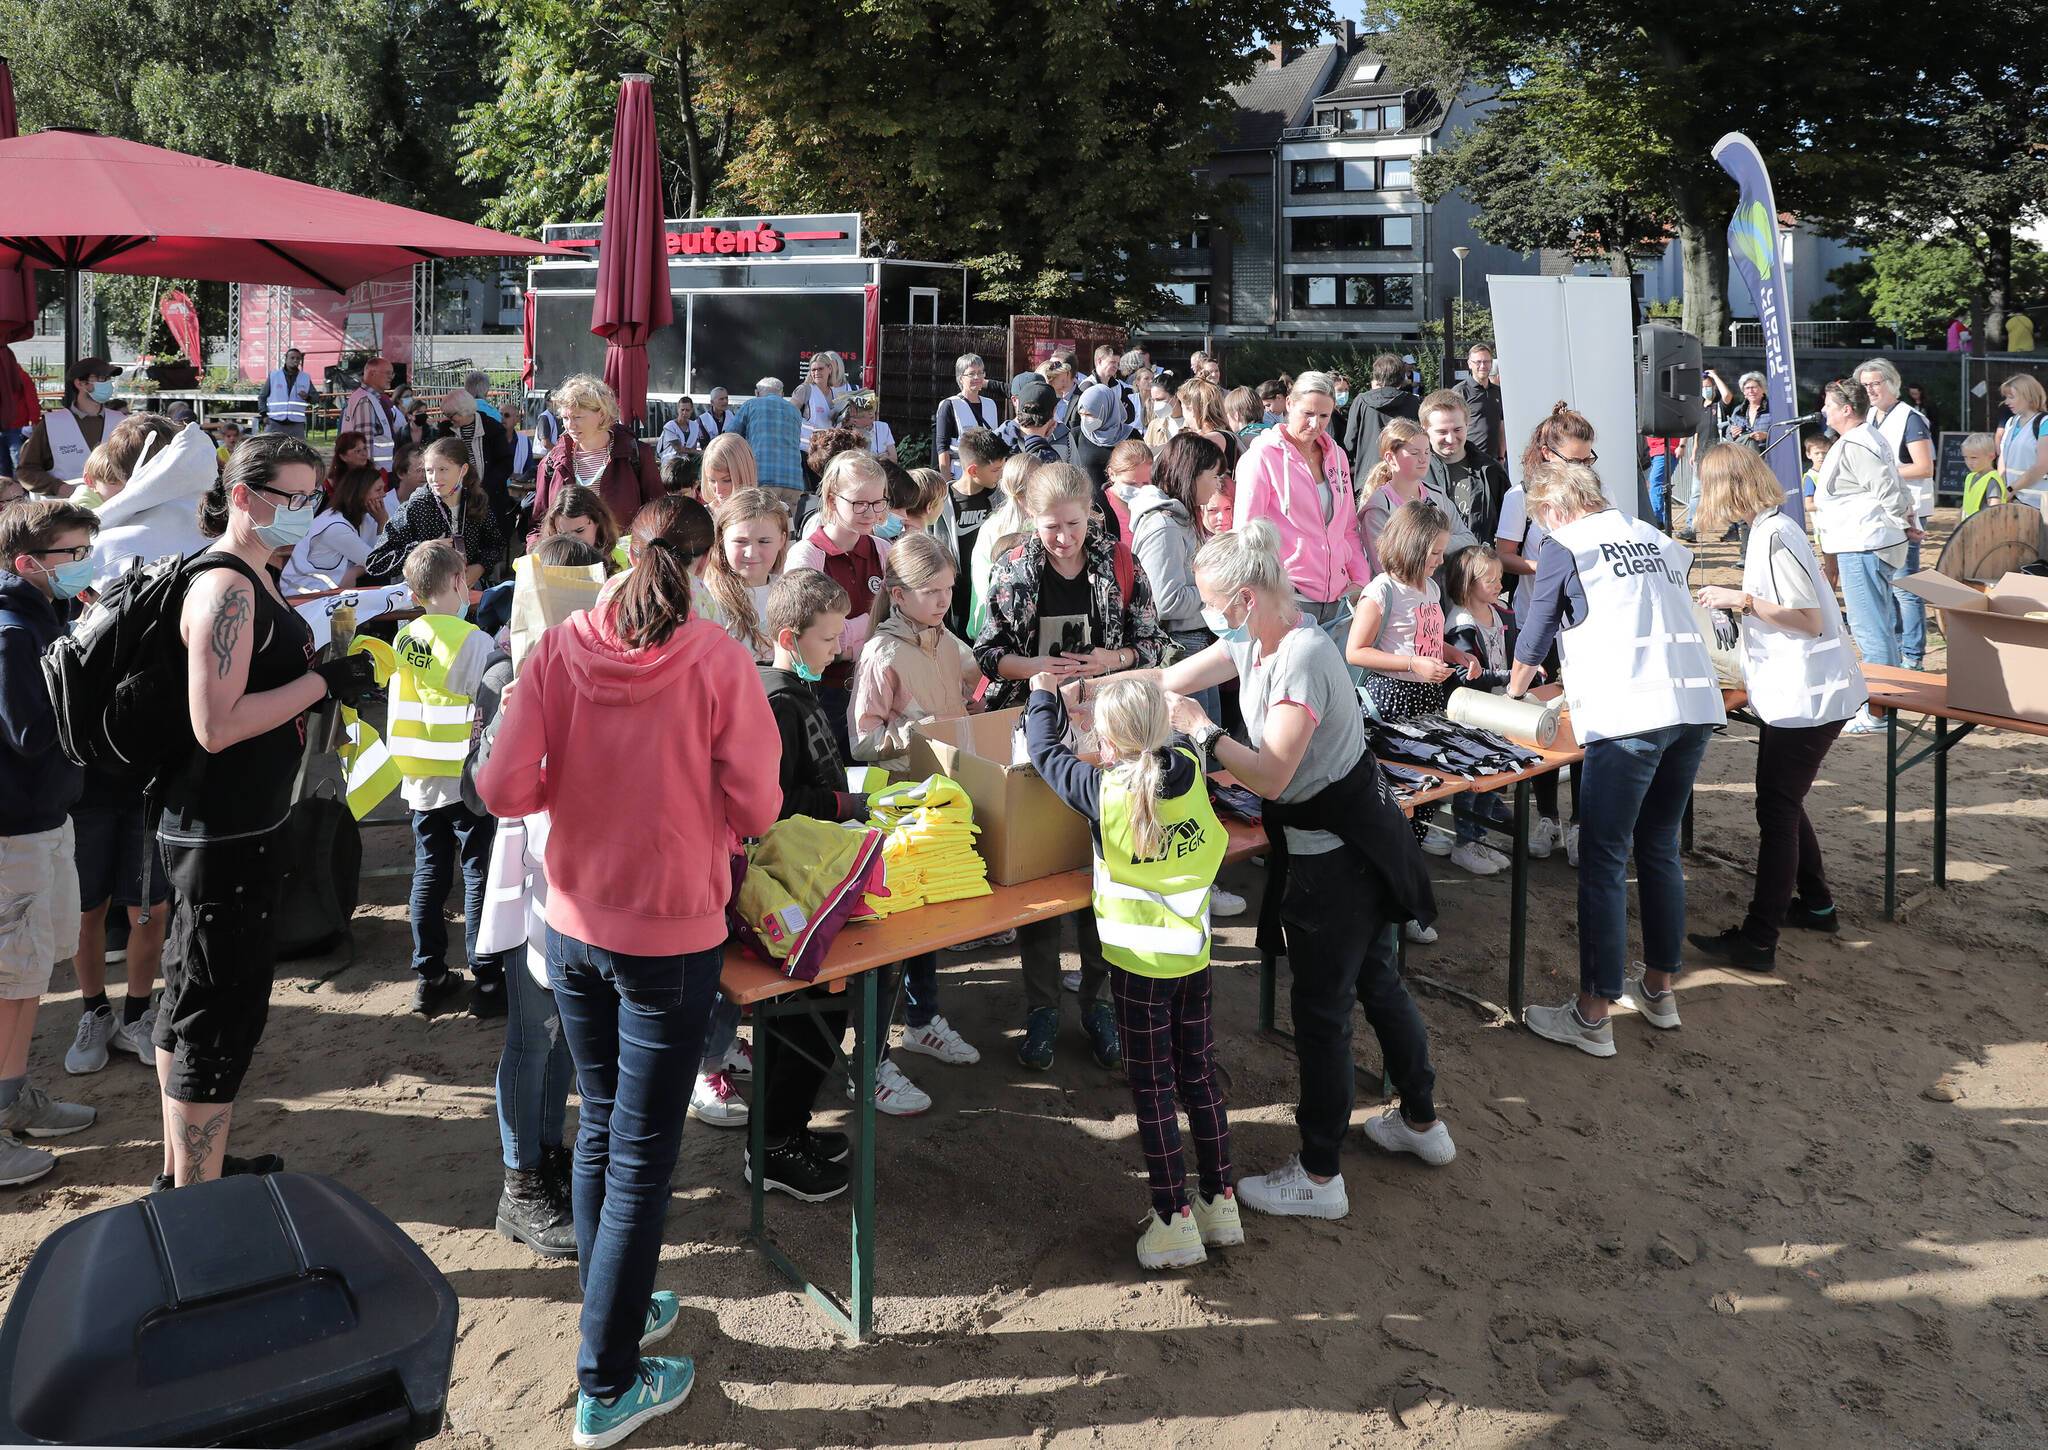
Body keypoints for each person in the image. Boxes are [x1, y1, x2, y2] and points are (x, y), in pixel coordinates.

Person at [477, 488, 777, 1445]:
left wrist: (570, 786)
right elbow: (761, 806)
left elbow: (499, 784)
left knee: (603, 1121)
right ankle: (606, 1381)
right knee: (637, 1151)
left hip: (572, 926)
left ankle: (616, 1306)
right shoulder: (719, 662)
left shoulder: (563, 648)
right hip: (668, 932)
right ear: (701, 568)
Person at [1163, 522, 1450, 1215]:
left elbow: (1268, 774)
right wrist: (1093, 695)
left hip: (1338, 862)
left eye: (1211, 601)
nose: (1208, 615)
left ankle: (1320, 1176)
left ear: (1246, 595)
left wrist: (1204, 731)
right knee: (1379, 982)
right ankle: (1421, 1122)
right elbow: (1172, 678)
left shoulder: (1300, 657)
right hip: (1355, 843)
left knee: (1323, 1014)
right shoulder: (1255, 636)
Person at [155, 436, 377, 1187]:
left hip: (228, 824)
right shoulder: (230, 588)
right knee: (218, 1011)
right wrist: (321, 685)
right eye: (291, 498)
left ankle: (188, 1166)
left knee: (190, 994)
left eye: (314, 497)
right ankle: (197, 1192)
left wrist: (316, 676)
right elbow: (215, 725)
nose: (304, 513)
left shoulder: (255, 575)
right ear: (243, 497)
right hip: (223, 832)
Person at [1508, 460, 1725, 1058]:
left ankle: (1593, 1013)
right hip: (1693, 703)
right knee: (1657, 847)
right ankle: (1659, 990)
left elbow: (1535, 633)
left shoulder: (1567, 543)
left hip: (1630, 713)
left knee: (1604, 858)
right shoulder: (1650, 534)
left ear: (1553, 510)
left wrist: (1510, 697)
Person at [1024, 674, 1241, 1270]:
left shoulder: (1104, 789)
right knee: (1198, 1077)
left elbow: (1044, 754)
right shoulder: (1192, 768)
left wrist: (1044, 693)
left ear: (1105, 741)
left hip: (1137, 967)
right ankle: (1220, 1201)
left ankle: (1173, 1220)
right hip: (1192, 956)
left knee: (1152, 1089)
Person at [976, 463, 1173, 1070]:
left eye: (1072, 523)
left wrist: (1110, 659)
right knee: (1039, 878)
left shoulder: (1118, 562)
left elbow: (1158, 643)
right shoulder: (1013, 569)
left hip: (1106, 731)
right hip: (1033, 730)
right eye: (1050, 526)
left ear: (1091, 511)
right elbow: (986, 652)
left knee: (1099, 871)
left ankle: (1098, 1003)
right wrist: (1036, 672)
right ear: (1031, 519)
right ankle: (1041, 1009)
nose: (1062, 536)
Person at [1684, 443, 1867, 972]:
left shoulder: (1774, 533)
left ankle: (1759, 940)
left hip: (1808, 696)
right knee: (1783, 800)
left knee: (1777, 809)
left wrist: (1739, 599)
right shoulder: (1770, 528)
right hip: (1801, 692)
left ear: (1728, 487)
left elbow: (1807, 617)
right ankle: (1816, 905)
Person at [848, 534, 982, 1092]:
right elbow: (861, 739)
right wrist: (916, 731)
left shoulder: (947, 640)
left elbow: (969, 686)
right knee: (903, 925)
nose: (943, 600)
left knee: (934, 916)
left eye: (949, 589)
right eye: (931, 592)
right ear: (898, 595)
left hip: (949, 798)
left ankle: (923, 1019)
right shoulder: (882, 651)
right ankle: (881, 1046)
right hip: (905, 806)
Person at [755, 568, 874, 1185]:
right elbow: (773, 803)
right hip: (795, 881)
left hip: (813, 872)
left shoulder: (791, 690)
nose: (839, 650)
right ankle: (773, 1145)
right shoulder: (776, 701)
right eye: (828, 640)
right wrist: (846, 806)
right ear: (789, 636)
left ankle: (785, 1128)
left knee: (819, 1016)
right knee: (813, 1017)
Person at [0, 500, 102, 1187]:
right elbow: (32, 734)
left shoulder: (43, 618)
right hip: (16, 835)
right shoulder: (12, 632)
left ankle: (13, 1095)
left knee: (29, 978)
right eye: (74, 553)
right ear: (28, 563)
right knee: (12, 982)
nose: (85, 564)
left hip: (44, 823)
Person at [389, 541, 500, 1016]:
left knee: (429, 875)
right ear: (459, 582)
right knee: (478, 874)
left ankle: (429, 975)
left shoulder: (405, 639)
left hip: (420, 780)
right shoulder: (475, 642)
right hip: (467, 779)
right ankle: (488, 980)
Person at [1347, 500, 1473, 854]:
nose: (1441, 560)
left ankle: (1407, 858)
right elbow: (1356, 652)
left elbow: (1426, 640)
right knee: (1398, 792)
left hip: (1427, 699)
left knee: (1430, 787)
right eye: (1435, 552)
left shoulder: (1430, 588)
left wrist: (1455, 653)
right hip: (1390, 700)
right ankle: (1389, 862)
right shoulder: (1382, 590)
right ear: (1412, 547)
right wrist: (1413, 664)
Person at [1810, 380, 1918, 734]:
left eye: (1828, 405)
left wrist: (1906, 521)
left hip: (1865, 544)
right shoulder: (1862, 439)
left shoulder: (1860, 442)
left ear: (1845, 409)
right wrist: (1908, 520)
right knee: (1876, 628)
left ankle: (1878, 713)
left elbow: (1888, 487)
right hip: (1863, 542)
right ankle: (1882, 707)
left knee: (1871, 630)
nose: (1824, 410)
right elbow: (1894, 485)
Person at [1231, 371, 1370, 625]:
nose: (1315, 424)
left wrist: (1360, 581)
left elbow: (1348, 527)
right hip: (1287, 597)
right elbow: (1246, 534)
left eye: (1324, 416)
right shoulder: (1261, 457)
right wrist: (1271, 593)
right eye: (1308, 414)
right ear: (1290, 404)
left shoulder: (1336, 456)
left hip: (1339, 600)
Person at [782, 450, 895, 759]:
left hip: (874, 688)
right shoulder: (807, 556)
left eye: (878, 502)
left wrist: (850, 637)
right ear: (832, 500)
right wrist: (873, 624)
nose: (870, 513)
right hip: (823, 693)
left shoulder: (883, 550)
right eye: (859, 503)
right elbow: (815, 638)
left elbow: (897, 621)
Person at [1132, 432, 1228, 730]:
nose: (1217, 486)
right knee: (1193, 744)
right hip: (1179, 647)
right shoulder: (1164, 527)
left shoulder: (1180, 520)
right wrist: (1217, 595)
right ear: (1191, 475)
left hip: (1193, 641)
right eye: (1213, 476)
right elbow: (1165, 601)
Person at [1857, 358, 1934, 670]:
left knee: (1905, 584)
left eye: (1875, 383)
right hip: (1882, 510)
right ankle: (1899, 645)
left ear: (1891, 383)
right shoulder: (1872, 415)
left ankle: (1913, 655)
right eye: (1865, 385)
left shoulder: (1910, 418)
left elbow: (1924, 466)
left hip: (1908, 510)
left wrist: (1882, 473)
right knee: (1888, 582)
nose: (1870, 390)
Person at [1442, 544, 1517, 870]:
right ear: (1467, 583)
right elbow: (1464, 675)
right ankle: (1465, 843)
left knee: (1494, 779)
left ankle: (1481, 839)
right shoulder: (1460, 622)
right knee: (1473, 781)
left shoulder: (1497, 611)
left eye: (1500, 578)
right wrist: (1508, 675)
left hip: (1496, 709)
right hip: (1472, 713)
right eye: (1491, 580)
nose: (1499, 585)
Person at [528, 375, 662, 549]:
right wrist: (537, 555)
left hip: (624, 566)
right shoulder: (552, 462)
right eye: (566, 418)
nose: (570, 426)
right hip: (567, 567)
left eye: (577, 417)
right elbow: (538, 525)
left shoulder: (636, 454)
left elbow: (658, 514)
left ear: (601, 413)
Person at [378, 436, 504, 587]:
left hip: (468, 595)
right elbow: (378, 561)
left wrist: (479, 567)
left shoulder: (475, 501)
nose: (434, 478)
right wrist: (423, 549)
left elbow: (495, 545)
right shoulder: (417, 506)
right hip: (425, 598)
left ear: (463, 470)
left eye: (443, 469)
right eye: (429, 471)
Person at [932, 427, 1009, 634]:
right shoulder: (940, 502)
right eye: (995, 470)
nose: (1001, 475)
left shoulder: (1001, 500)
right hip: (953, 601)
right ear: (973, 470)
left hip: (990, 600)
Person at [15, 357, 126, 496]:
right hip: (67, 511)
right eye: (101, 379)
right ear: (80, 383)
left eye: (109, 379)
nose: (108, 384)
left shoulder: (122, 422)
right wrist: (60, 488)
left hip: (116, 509)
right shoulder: (50, 424)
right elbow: (26, 471)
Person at [702, 488, 790, 663]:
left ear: (781, 540)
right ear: (721, 540)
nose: (751, 553)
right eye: (741, 541)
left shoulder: (790, 595)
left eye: (764, 541)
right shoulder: (708, 599)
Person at [1358, 417, 1450, 573]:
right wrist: (1434, 547)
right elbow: (1386, 566)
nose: (1423, 459)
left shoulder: (1437, 495)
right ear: (1390, 458)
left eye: (1427, 452)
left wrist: (1436, 549)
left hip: (1436, 591)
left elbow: (1467, 538)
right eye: (1415, 453)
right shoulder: (1379, 507)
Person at [1417, 389, 1503, 550]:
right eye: (1442, 432)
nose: (1451, 439)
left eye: (1457, 430)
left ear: (1467, 425)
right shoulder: (1414, 474)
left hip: (1480, 570)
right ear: (1424, 429)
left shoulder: (1490, 471)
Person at [282, 466, 388, 593]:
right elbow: (378, 561)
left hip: (325, 588)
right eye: (378, 490)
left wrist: (354, 572)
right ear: (361, 493)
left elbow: (378, 556)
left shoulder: (365, 518)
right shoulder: (335, 526)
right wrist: (383, 523)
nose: (384, 494)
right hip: (302, 592)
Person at [731, 378, 806, 498]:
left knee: (762, 516)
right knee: (789, 517)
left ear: (757, 393)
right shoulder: (795, 411)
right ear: (782, 394)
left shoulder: (751, 405)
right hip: (794, 482)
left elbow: (730, 436)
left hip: (762, 479)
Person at [933, 353, 1002, 479]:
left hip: (987, 474)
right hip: (960, 474)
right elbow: (942, 448)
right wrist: (947, 483)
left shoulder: (990, 404)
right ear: (960, 378)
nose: (977, 377)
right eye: (971, 373)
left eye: (981, 372)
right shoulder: (950, 405)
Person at [340, 358, 405, 472]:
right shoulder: (365, 401)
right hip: (374, 473)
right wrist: (367, 475)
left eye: (392, 373)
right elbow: (364, 442)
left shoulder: (369, 398)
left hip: (376, 472)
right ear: (372, 373)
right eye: (388, 373)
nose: (391, 377)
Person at [1996, 373, 2048, 496]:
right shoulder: (2011, 422)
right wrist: (2002, 488)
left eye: (2011, 397)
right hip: (2013, 500)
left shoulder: (2044, 423)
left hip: (2038, 502)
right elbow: (2003, 458)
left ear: (2028, 396)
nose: (2006, 402)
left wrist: (2010, 489)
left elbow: (2042, 466)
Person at [1452, 343, 1505, 463]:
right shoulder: (1460, 392)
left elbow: (1500, 425)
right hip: (1468, 460)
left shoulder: (1497, 391)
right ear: (1469, 364)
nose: (1483, 366)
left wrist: (1501, 456)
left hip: (1494, 461)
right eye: (1478, 362)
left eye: (1486, 362)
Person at [1177, 378, 1239, 473]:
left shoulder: (1212, 439)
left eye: (1182, 408)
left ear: (1192, 409)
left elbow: (1187, 473)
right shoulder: (1222, 434)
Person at [791, 352, 854, 445]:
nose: (816, 373)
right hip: (806, 448)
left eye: (820, 369)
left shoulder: (834, 392)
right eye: (813, 370)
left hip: (828, 447)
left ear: (829, 369)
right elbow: (790, 414)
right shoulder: (805, 389)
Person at [258, 348, 316, 439]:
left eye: (297, 358)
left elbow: (315, 398)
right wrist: (264, 415)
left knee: (298, 452)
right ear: (285, 359)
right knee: (269, 450)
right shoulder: (274, 375)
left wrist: (307, 397)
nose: (295, 360)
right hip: (274, 422)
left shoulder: (305, 377)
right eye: (292, 358)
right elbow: (262, 396)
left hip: (296, 424)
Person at [698, 432, 758, 514]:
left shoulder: (771, 515)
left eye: (727, 480)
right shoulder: (700, 517)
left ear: (744, 473)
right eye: (712, 481)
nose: (718, 490)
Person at [835, 390, 896, 461]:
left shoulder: (883, 427)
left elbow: (894, 458)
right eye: (870, 417)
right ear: (855, 420)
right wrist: (879, 458)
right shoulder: (846, 433)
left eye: (874, 414)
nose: (874, 418)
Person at [1721, 371, 1773, 451]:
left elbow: (1784, 432)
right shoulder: (1738, 411)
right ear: (1744, 392)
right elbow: (1728, 435)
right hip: (1745, 457)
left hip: (1768, 457)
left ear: (1763, 389)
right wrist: (1733, 433)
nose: (1751, 391)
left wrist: (1767, 436)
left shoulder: (1772, 409)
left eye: (1754, 387)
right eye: (1747, 388)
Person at [1959, 433, 2008, 517]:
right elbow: (1966, 506)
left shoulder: (1992, 480)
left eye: (1974, 458)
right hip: (1969, 527)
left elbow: (1994, 510)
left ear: (1991, 457)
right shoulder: (1970, 477)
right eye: (1965, 457)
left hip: (1984, 528)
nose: (1969, 462)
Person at [655, 398, 699, 465]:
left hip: (686, 461)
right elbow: (679, 449)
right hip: (669, 462)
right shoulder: (669, 426)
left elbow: (693, 449)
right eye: (682, 410)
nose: (684, 412)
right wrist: (701, 452)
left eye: (687, 410)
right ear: (678, 410)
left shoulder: (695, 426)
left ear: (691, 410)